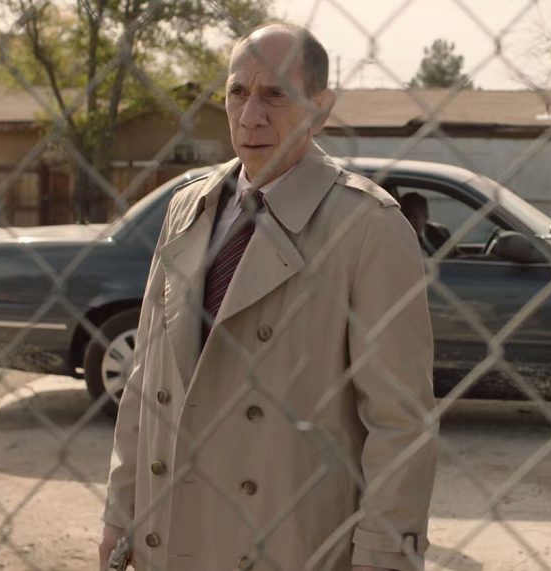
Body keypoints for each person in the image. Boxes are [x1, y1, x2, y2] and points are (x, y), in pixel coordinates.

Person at [98, 22, 437, 571]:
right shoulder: (189, 208)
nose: (251, 114)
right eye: (238, 92)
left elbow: (399, 423)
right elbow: (146, 384)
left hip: (285, 548)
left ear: (320, 108)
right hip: (167, 536)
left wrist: (383, 555)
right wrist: (120, 511)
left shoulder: (368, 227)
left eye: (275, 94)